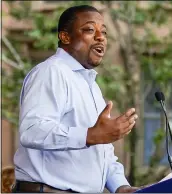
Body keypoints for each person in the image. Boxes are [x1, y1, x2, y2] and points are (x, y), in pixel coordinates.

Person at [12, 5, 139, 193]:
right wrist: (90, 135)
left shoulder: (90, 85)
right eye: (89, 29)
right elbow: (32, 130)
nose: (100, 37)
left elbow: (101, 152)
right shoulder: (52, 72)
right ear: (65, 37)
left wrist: (121, 186)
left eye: (103, 32)